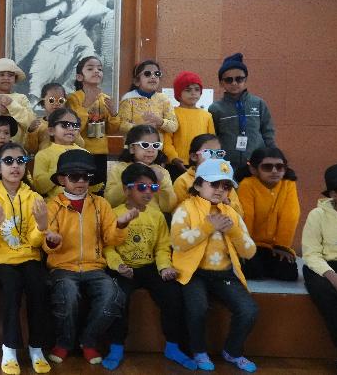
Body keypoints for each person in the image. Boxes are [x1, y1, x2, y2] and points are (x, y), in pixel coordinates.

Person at [103, 163, 196, 370]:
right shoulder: (113, 213)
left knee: (173, 295)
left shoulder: (157, 215)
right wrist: (118, 266)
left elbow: (162, 246)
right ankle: (116, 346)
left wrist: (164, 267)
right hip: (123, 268)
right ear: (127, 189)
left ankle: (173, 346)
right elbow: (108, 246)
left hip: (149, 267)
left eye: (153, 187)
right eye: (141, 187)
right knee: (117, 297)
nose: (148, 192)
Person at [44, 149, 131, 365]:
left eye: (86, 176)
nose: (81, 181)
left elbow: (111, 239)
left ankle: (88, 341)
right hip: (63, 267)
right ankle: (64, 343)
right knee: (67, 292)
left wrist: (121, 225)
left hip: (95, 268)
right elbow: (46, 243)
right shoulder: (52, 206)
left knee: (113, 294)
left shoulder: (101, 204)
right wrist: (52, 241)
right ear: (62, 180)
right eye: (75, 176)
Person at [171, 158, 258, 372]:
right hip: (194, 273)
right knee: (197, 308)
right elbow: (178, 243)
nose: (220, 190)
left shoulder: (231, 214)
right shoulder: (186, 209)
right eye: (214, 184)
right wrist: (207, 227)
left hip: (224, 274)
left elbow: (249, 251)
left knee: (248, 309)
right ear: (198, 185)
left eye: (226, 186)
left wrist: (233, 231)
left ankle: (233, 351)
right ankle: (199, 351)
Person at [0, 143, 52, 375]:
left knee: (39, 285)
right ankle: (9, 349)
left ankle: (36, 348)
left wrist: (42, 227)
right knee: (11, 286)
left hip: (28, 257)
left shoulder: (34, 197)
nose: (15, 166)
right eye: (8, 161)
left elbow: (34, 243)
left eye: (20, 161)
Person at [18, 0, 112, 98]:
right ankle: (35, 93)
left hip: (79, 38)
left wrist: (108, 17)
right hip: (58, 39)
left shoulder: (91, 4)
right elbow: (43, 16)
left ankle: (69, 91)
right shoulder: (66, 4)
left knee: (86, 53)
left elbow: (110, 12)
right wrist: (25, 16)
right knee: (43, 51)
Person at [302, 163, 337, 371]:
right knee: (327, 295)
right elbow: (311, 254)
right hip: (322, 266)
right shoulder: (317, 215)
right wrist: (334, 277)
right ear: (334, 194)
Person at [236, 147, 300, 281]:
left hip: (275, 246)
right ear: (254, 169)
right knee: (252, 270)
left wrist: (282, 246)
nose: (274, 171)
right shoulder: (247, 185)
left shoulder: (288, 184)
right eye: (267, 167)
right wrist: (245, 248)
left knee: (289, 274)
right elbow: (247, 217)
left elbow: (290, 215)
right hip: (252, 243)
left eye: (279, 167)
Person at [209, 53, 276, 170]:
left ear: (246, 80)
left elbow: (268, 133)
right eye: (228, 80)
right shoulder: (215, 108)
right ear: (221, 83)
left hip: (256, 165)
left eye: (239, 79)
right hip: (226, 166)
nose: (234, 83)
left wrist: (273, 156)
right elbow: (212, 138)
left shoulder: (258, 103)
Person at [67, 56, 120, 190]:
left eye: (100, 69)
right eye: (90, 69)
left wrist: (114, 115)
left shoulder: (105, 98)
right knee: (81, 186)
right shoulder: (74, 98)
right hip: (81, 150)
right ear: (79, 77)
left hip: (101, 152)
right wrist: (87, 104)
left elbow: (112, 130)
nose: (96, 71)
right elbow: (74, 126)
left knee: (99, 187)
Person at [105, 124, 177, 213]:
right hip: (125, 219)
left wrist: (163, 183)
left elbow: (168, 208)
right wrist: (130, 178)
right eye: (145, 145)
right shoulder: (119, 169)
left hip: (152, 220)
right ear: (132, 148)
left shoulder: (162, 173)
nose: (151, 150)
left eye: (155, 145)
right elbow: (110, 202)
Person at [162, 71, 215, 180]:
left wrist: (209, 160)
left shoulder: (207, 116)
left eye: (197, 89)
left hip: (200, 165)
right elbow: (167, 141)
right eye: (188, 90)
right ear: (178, 94)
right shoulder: (172, 113)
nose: (193, 93)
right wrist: (173, 158)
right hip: (176, 165)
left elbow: (212, 141)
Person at [173, 134, 243, 215]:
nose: (214, 158)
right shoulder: (182, 181)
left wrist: (227, 202)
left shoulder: (225, 181)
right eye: (208, 153)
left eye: (219, 153)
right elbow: (178, 213)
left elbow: (240, 214)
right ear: (194, 156)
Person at [32, 108, 86, 198]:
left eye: (75, 125)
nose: (71, 128)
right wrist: (59, 170)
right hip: (55, 204)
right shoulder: (43, 154)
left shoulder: (84, 153)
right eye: (65, 125)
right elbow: (39, 188)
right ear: (51, 131)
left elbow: (94, 187)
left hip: (83, 202)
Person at [117, 60, 178, 136]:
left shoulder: (163, 99)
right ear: (137, 81)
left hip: (157, 143)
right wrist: (140, 127)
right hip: (135, 143)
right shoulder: (128, 99)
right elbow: (122, 126)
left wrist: (160, 121)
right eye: (147, 74)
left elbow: (174, 126)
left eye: (157, 74)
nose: (153, 77)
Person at [25, 82, 85, 154]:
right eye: (51, 100)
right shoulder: (38, 125)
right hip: (45, 159)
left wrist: (74, 130)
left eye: (61, 100)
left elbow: (80, 145)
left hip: (65, 159)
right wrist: (31, 132)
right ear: (43, 103)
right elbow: (31, 150)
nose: (56, 104)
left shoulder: (70, 124)